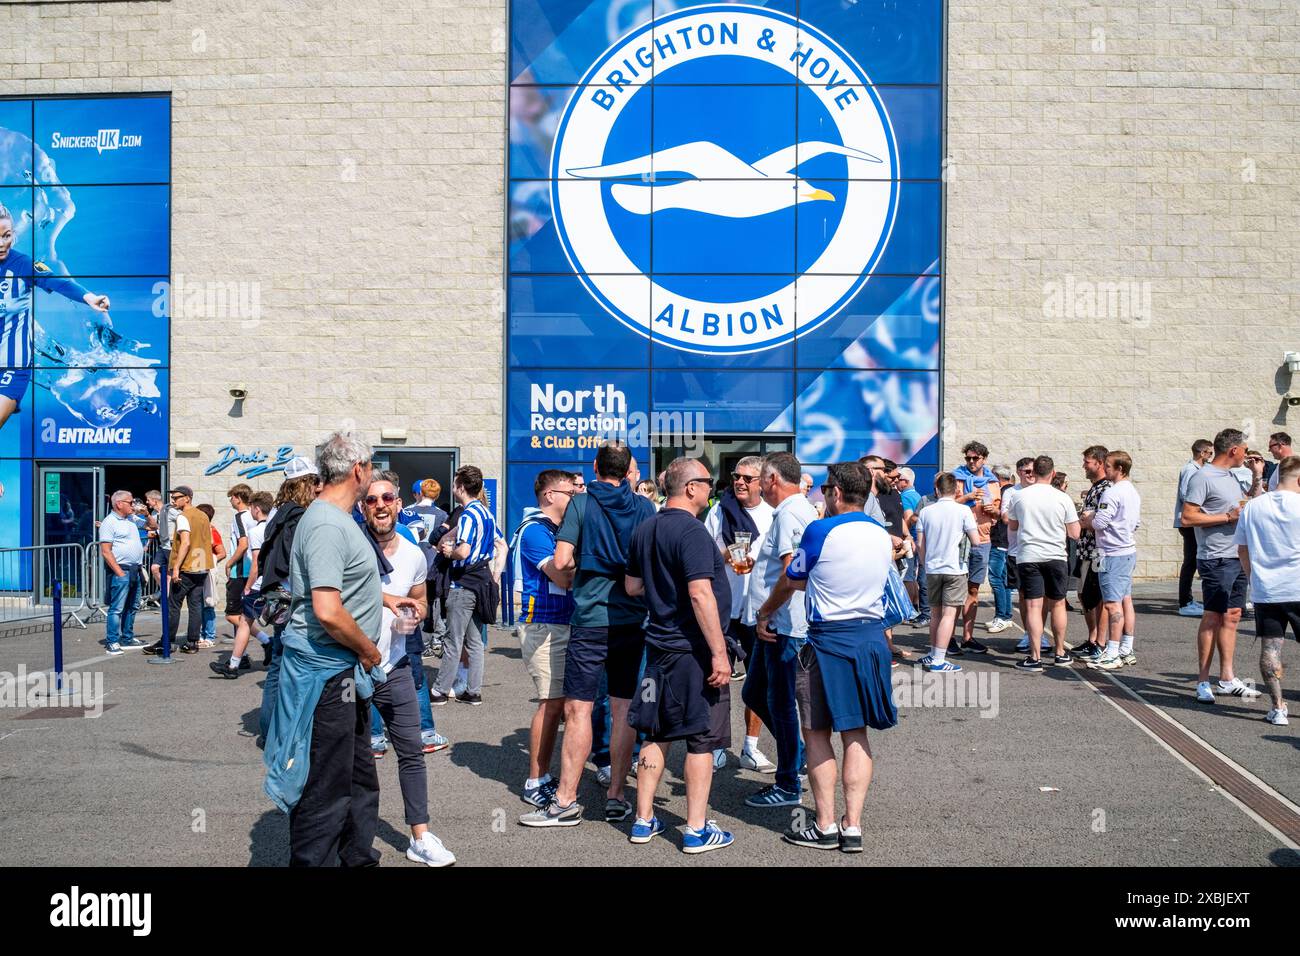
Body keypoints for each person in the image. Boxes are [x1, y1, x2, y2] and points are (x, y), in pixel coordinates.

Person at [262, 431, 385, 868]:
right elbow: (328, 611)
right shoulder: (328, 524)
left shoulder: (334, 519)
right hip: (327, 676)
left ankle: (356, 858)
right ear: (358, 470)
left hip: (341, 675)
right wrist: (370, 650)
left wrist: (385, 600)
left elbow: (341, 588)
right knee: (326, 787)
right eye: (371, 465)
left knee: (357, 778)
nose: (372, 473)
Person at [763, 462, 896, 853]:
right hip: (870, 638)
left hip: (828, 640)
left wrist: (764, 611)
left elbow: (793, 578)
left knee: (816, 733)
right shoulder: (881, 534)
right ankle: (852, 826)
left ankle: (824, 826)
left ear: (835, 492)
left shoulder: (820, 529)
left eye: (825, 489)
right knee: (856, 733)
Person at [520, 441, 654, 828]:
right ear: (629, 469)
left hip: (591, 619)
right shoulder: (645, 507)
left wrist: (589, 562)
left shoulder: (581, 503)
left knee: (578, 709)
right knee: (623, 709)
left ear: (595, 467)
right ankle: (616, 795)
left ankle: (566, 800)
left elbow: (561, 560)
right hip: (632, 620)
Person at [623, 456, 735, 853]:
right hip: (691, 652)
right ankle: (695, 829)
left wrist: (662, 589)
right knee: (701, 739)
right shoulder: (692, 532)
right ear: (690, 488)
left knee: (656, 731)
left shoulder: (646, 528)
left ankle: (643, 819)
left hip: (657, 648)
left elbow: (633, 586)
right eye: (707, 482)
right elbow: (699, 592)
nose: (712, 489)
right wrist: (719, 654)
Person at [360, 477, 456, 866]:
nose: (380, 505)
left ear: (399, 504)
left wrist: (411, 616)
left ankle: (420, 836)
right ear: (363, 506)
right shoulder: (353, 547)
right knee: (353, 759)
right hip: (352, 667)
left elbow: (418, 598)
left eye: (387, 498)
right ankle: (352, 838)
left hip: (396, 666)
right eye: (371, 499)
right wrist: (388, 600)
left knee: (412, 753)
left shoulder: (415, 553)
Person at [0, 202, 112, 442]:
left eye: (6, 235)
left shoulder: (22, 265)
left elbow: (56, 281)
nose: (2, 243)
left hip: (12, 365)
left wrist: (89, 297)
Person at [749, 451, 818, 809]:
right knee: (756, 694)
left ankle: (789, 780)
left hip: (784, 625)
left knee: (779, 703)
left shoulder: (791, 512)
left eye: (761, 478)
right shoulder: (799, 509)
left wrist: (765, 611)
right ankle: (798, 757)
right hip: (782, 622)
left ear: (773, 479)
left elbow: (792, 573)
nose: (758, 485)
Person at [703, 455, 776, 772]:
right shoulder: (720, 511)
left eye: (748, 478)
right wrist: (727, 554)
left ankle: (750, 747)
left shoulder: (774, 515)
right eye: (736, 476)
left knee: (758, 685)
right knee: (716, 680)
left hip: (759, 610)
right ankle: (716, 745)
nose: (740, 482)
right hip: (722, 606)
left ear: (763, 481)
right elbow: (702, 555)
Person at [1182, 428, 1262, 704]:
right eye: (1245, 448)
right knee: (1213, 616)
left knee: (1233, 615)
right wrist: (1227, 517)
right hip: (1215, 557)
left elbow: (1245, 505)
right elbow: (1188, 517)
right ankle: (1203, 681)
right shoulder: (1203, 476)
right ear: (1234, 450)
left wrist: (1256, 476)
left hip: (1237, 555)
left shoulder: (1230, 475)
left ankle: (1227, 678)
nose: (1247, 453)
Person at [513, 470, 576, 808]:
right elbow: (562, 576)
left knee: (561, 704)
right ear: (550, 495)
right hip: (543, 624)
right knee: (550, 704)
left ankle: (545, 776)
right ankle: (535, 780)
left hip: (561, 623)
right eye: (570, 491)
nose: (576, 497)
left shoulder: (555, 530)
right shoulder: (536, 530)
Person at [255, 458, 326, 745]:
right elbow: (297, 563)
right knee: (296, 666)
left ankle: (269, 729)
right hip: (292, 601)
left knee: (279, 665)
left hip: (277, 599)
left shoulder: (278, 513)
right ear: (306, 484)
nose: (320, 489)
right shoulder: (298, 517)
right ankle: (284, 733)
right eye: (316, 483)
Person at [1235, 454, 1300, 725]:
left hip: (1267, 590)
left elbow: (1242, 549)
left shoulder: (1253, 507)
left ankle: (1278, 708)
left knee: (1271, 649)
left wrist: (1254, 578)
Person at [429, 465, 496, 706]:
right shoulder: (487, 513)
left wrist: (449, 552)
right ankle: (473, 690)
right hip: (483, 581)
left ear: (461, 487)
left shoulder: (468, 514)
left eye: (456, 483)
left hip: (464, 582)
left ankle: (439, 690)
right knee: (475, 640)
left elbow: (464, 550)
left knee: (453, 639)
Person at [1006, 456, 1080, 671]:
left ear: (1033, 472)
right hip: (1056, 555)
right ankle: (1060, 652)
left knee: (1033, 606)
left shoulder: (1019, 496)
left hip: (1029, 555)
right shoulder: (1062, 497)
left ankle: (1035, 656)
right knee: (1058, 603)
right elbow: (1074, 533)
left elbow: (1012, 525)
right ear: (1053, 473)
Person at [915, 473, 980, 673]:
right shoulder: (963, 511)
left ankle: (935, 654)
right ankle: (939, 660)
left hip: (933, 568)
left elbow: (919, 543)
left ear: (937, 490)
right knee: (949, 615)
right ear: (957, 490)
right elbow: (976, 541)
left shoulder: (926, 511)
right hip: (955, 568)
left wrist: (925, 563)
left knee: (935, 613)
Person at [1082, 450, 1141, 669]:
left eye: (1108, 465)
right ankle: (1125, 648)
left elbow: (1099, 523)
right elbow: (1136, 524)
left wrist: (1087, 520)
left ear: (1120, 469)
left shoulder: (1112, 493)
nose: (1104, 469)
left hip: (1110, 552)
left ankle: (1113, 652)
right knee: (1125, 599)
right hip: (1126, 550)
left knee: (1111, 604)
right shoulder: (1132, 491)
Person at [209, 491, 274, 678]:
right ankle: (244, 658)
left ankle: (234, 665)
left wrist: (248, 585)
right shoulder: (276, 527)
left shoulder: (255, 531)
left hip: (258, 582)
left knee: (241, 620)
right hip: (276, 581)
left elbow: (255, 562)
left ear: (256, 509)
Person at [144, 486, 214, 656]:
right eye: (173, 497)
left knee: (173, 605)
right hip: (201, 566)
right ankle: (192, 642)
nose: (173, 500)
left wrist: (175, 568)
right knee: (195, 605)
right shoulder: (203, 515)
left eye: (177, 497)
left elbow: (186, 543)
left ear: (187, 498)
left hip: (187, 567)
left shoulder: (184, 517)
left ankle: (167, 641)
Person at [952, 442, 999, 651]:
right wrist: (968, 497)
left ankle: (967, 638)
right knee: (954, 590)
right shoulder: (956, 479)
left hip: (982, 540)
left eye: (975, 458)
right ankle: (949, 637)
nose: (971, 462)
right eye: (968, 458)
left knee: (973, 589)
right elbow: (947, 505)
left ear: (984, 459)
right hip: (958, 539)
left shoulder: (992, 482)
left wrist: (993, 511)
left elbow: (999, 513)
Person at [1003, 458, 1049, 653]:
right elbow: (1005, 517)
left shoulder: (1044, 492)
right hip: (1018, 551)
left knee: (1044, 596)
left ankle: (1040, 634)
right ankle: (1028, 633)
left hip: (1042, 550)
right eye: (1025, 472)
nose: (1029, 475)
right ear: (1018, 473)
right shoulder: (1012, 492)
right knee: (1024, 595)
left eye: (1032, 471)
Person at [1074, 446, 1112, 658]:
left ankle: (1100, 642)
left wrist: (1086, 520)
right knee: (1084, 595)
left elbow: (1101, 521)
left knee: (1098, 598)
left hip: (1098, 552)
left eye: (1087, 462)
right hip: (1085, 550)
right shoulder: (1095, 488)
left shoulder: (1106, 488)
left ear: (1099, 463)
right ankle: (1092, 638)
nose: (1084, 466)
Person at [99, 490, 145, 654]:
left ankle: (127, 637)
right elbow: (105, 551)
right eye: (130, 502)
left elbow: (152, 526)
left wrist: (147, 513)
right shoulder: (109, 522)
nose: (133, 505)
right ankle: (112, 640)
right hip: (122, 570)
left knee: (132, 606)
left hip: (135, 569)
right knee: (117, 608)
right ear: (119, 504)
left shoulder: (131, 519)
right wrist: (119, 573)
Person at [1176, 439, 1214, 616]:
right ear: (1202, 453)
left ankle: (1188, 600)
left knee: (1192, 561)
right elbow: (1186, 494)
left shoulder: (1196, 470)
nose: (1211, 456)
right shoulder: (1190, 470)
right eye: (1210, 453)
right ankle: (1184, 602)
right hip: (1189, 521)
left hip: (1192, 521)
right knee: (1190, 561)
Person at [985, 464, 1015, 633]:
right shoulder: (1014, 491)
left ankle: (1002, 616)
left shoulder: (1004, 493)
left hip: (1000, 541)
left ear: (997, 478)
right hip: (1007, 542)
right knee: (1004, 581)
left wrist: (992, 511)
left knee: (996, 580)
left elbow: (1002, 516)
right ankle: (1006, 615)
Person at [225, 483, 255, 640]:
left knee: (233, 614)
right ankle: (240, 656)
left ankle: (264, 640)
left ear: (237, 498)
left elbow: (243, 544)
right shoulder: (255, 515)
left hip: (241, 569)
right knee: (245, 613)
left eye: (231, 497)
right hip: (253, 568)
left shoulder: (240, 516)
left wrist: (229, 563)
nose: (230, 501)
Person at [196, 503, 227, 648]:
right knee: (197, 604)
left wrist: (211, 560)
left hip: (207, 572)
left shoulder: (211, 531)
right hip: (196, 570)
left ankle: (209, 635)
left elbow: (222, 552)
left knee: (208, 604)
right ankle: (200, 634)